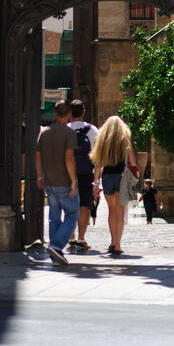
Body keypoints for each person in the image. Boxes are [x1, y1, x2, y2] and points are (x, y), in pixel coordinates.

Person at [36, 100, 79, 267]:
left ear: (55, 114)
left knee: (54, 218)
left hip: (49, 181)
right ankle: (56, 245)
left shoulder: (44, 132)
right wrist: (74, 180)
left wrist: (40, 176)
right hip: (64, 181)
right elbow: (69, 158)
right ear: (68, 114)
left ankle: (55, 255)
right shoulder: (69, 133)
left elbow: (37, 157)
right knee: (72, 215)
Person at [91, 115, 139, 257]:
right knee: (120, 211)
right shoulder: (125, 142)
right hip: (122, 178)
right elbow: (133, 162)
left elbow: (98, 165)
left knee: (111, 210)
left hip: (107, 178)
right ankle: (118, 244)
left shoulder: (103, 142)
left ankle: (112, 241)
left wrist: (96, 183)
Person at [67, 99, 99, 253]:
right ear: (83, 112)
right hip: (86, 173)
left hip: (68, 172)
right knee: (84, 205)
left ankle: (71, 236)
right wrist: (97, 179)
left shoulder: (65, 129)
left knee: (69, 204)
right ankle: (81, 238)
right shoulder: (92, 130)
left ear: (70, 113)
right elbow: (97, 155)